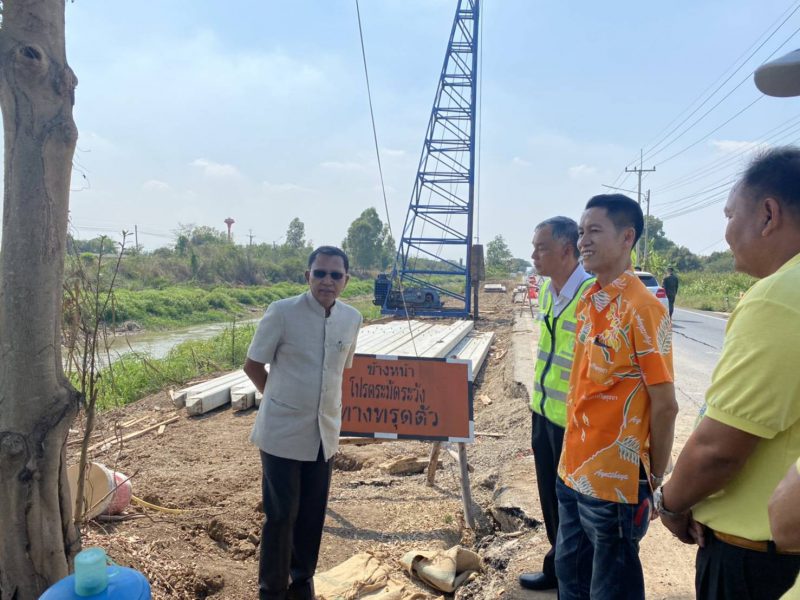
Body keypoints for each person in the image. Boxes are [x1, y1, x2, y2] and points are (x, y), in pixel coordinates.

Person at [657, 148, 800, 600]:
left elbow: (720, 449)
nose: (725, 233)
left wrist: (671, 503)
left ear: (768, 214)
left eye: (730, 215)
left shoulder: (778, 297)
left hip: (757, 560)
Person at [555, 194, 678, 600]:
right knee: (570, 575)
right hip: (572, 468)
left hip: (615, 484)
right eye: (580, 232)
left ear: (627, 237)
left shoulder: (643, 309)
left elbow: (665, 404)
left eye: (594, 231)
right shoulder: (591, 300)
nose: (582, 241)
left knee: (612, 587)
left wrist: (657, 480)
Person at [243, 246, 363, 600]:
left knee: (312, 516)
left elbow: (343, 369)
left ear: (345, 281)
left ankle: (301, 584)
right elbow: (253, 365)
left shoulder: (351, 318)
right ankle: (272, 591)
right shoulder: (282, 313)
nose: (327, 281)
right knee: (281, 516)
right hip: (281, 433)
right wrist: (278, 401)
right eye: (320, 273)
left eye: (335, 275)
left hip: (323, 434)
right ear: (307, 276)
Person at [519, 217, 594, 592]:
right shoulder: (548, 291)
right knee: (549, 498)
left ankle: (573, 574)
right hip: (543, 414)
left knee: (575, 509)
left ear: (567, 250)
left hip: (574, 423)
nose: (533, 255)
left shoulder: (592, 296)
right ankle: (556, 564)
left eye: (541, 247)